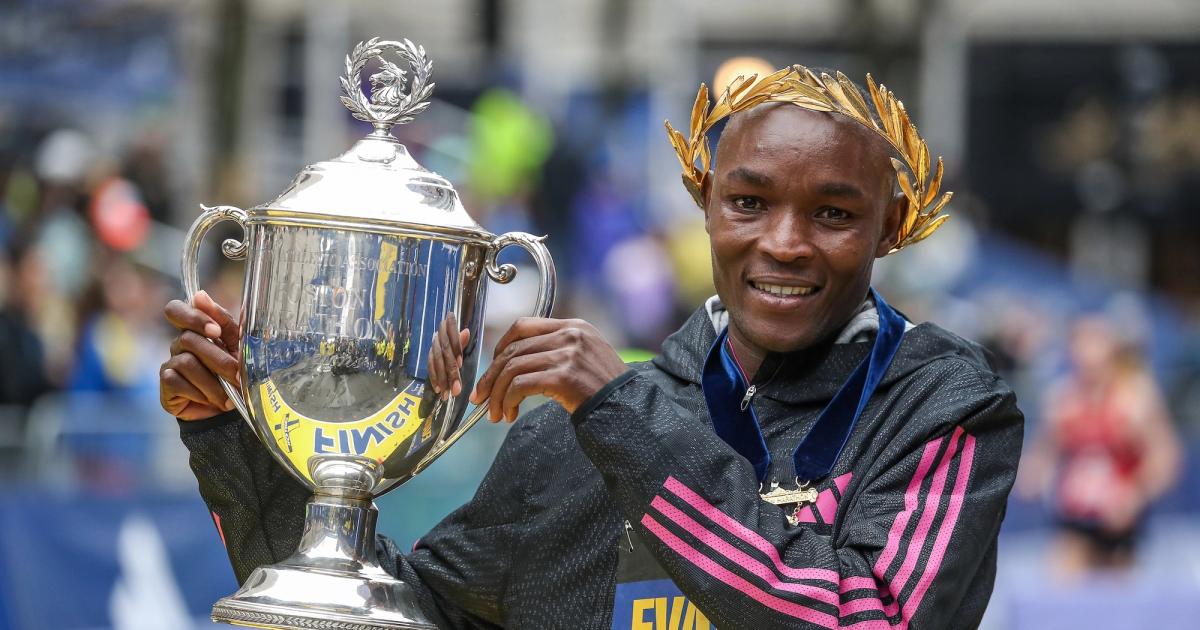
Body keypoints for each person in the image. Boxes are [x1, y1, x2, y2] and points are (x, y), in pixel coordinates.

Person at [160, 67, 1023, 629]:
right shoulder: (573, 433)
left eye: (833, 214)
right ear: (706, 201)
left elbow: (868, 619)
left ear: (891, 227)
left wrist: (624, 417)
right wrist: (236, 439)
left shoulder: (941, 406)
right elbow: (411, 616)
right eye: (749, 203)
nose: (785, 243)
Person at [1019, 316, 1180, 577]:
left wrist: (1136, 493)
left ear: (1111, 350)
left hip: (1119, 519)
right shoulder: (1062, 398)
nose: (1085, 352)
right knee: (1061, 592)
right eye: (1080, 342)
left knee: (1115, 604)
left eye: (1094, 342)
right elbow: (1044, 452)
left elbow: (1165, 457)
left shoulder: (1135, 398)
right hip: (1075, 515)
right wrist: (1032, 475)